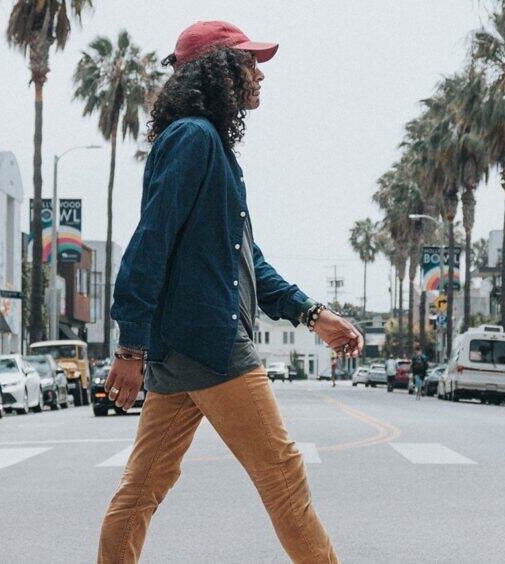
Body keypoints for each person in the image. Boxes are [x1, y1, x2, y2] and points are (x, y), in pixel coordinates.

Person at [98, 21, 360, 564]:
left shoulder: (208, 145)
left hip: (183, 348)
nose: (259, 73)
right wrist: (129, 348)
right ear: (216, 72)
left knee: (143, 487)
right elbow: (150, 241)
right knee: (282, 473)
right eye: (248, 62)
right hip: (211, 345)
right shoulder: (194, 138)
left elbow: (247, 263)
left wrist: (314, 315)